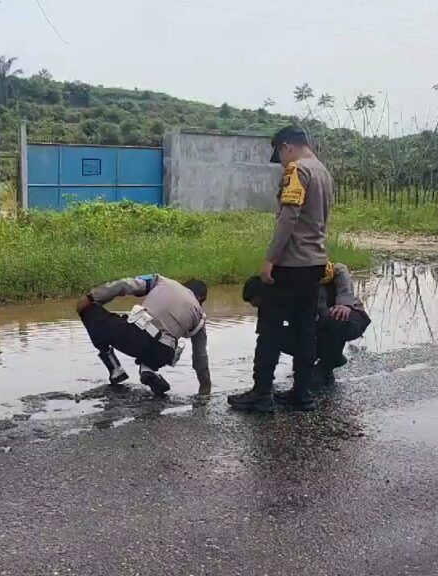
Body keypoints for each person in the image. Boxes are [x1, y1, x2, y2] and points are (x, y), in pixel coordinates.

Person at [229, 125, 334, 412]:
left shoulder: (298, 170)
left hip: (290, 264)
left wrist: (270, 259)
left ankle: (262, 393)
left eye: (281, 156)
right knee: (304, 329)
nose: (282, 163)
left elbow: (288, 218)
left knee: (269, 329)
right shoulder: (323, 172)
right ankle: (302, 393)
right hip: (315, 263)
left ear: (287, 146)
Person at [75, 274, 213, 397]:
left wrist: (92, 297)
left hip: (134, 336)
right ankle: (147, 370)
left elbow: (124, 285)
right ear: (200, 298)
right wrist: (205, 388)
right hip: (164, 353)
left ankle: (114, 367)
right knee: (162, 345)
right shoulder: (200, 316)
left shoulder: (160, 281)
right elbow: (200, 357)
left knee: (88, 309)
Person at [241, 260, 371, 388]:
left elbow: (339, 268)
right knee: (277, 336)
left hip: (347, 317)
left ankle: (327, 364)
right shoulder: (270, 307)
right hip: (317, 326)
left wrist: (344, 303)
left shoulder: (293, 282)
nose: (260, 307)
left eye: (259, 303)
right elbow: (266, 339)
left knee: (334, 319)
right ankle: (328, 360)